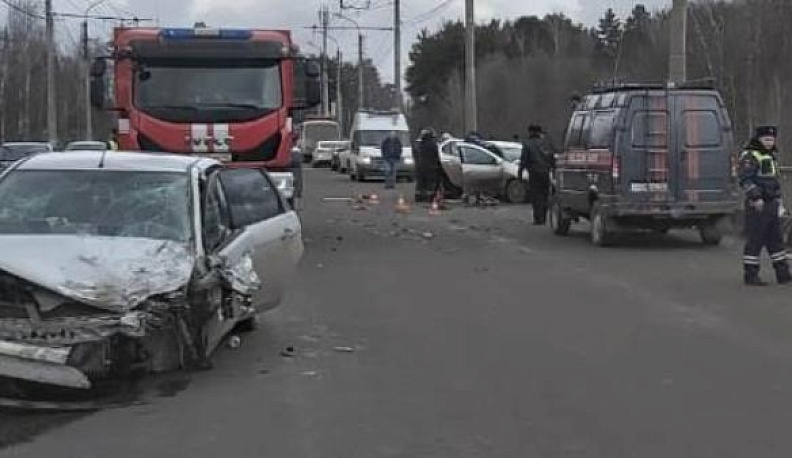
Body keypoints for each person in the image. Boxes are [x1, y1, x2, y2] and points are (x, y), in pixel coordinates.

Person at [738, 125, 792, 286]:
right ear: (759, 139)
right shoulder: (750, 155)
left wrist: (779, 201)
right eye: (766, 139)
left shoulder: (771, 156)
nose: (769, 142)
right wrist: (755, 198)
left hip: (771, 204)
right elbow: (746, 179)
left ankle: (783, 273)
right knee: (755, 240)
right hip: (758, 204)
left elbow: (774, 181)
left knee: (776, 240)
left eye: (771, 139)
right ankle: (751, 275)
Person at [519, 124, 554, 225]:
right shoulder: (546, 143)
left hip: (534, 173)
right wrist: (553, 170)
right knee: (544, 195)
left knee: (535, 196)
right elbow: (552, 157)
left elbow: (524, 160)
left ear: (530, 132)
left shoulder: (528, 144)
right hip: (545, 173)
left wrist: (520, 173)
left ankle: (538, 218)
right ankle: (543, 217)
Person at [416, 128, 443, 202]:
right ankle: (430, 198)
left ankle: (419, 197)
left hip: (421, 166)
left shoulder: (421, 144)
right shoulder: (433, 144)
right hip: (431, 167)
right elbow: (437, 155)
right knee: (430, 183)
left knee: (421, 183)